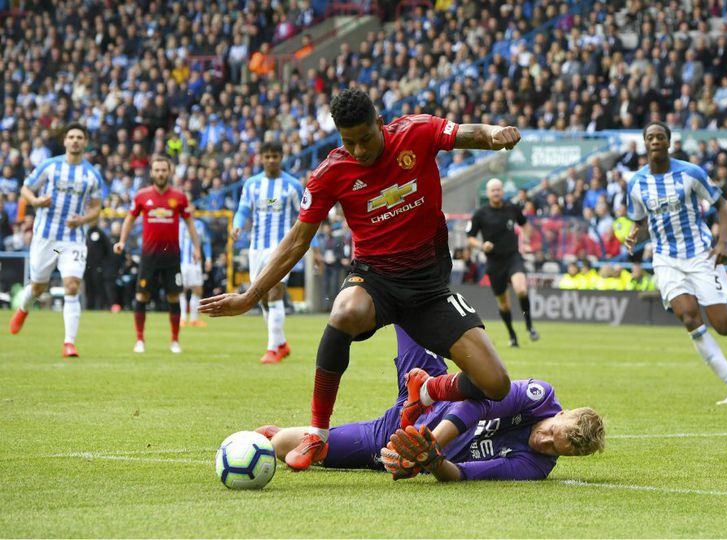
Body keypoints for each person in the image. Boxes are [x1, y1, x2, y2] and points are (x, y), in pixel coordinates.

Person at [200, 88, 521, 471]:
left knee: (496, 385)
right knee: (345, 310)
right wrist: (252, 295)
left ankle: (430, 389)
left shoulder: (416, 132)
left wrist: (494, 133)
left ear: (380, 125)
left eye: (365, 139)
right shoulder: (330, 173)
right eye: (348, 142)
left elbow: (469, 133)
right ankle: (316, 434)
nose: (359, 150)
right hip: (375, 280)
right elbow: (297, 241)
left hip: (429, 288)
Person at [259, 326, 604, 481]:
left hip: (398, 438)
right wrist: (435, 438)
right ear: (560, 414)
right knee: (409, 307)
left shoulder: (536, 467)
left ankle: (270, 437)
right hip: (436, 392)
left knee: (284, 445)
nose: (543, 442)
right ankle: (424, 392)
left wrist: (428, 457)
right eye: (550, 433)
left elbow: (461, 476)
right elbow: (479, 402)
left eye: (556, 450)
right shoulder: (538, 396)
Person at [625, 121, 727, 405]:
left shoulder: (691, 173)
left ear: (668, 141)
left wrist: (723, 243)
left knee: (722, 325)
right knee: (689, 317)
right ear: (644, 143)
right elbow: (639, 217)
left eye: (659, 137)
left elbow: (721, 206)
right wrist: (634, 232)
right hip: (665, 259)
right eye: (650, 137)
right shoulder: (636, 183)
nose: (654, 142)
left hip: (701, 255)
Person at [9, 123, 104, 357]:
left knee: (72, 286)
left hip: (73, 240)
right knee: (39, 287)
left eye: (79, 137)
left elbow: (96, 208)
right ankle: (23, 309)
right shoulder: (49, 166)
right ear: (65, 141)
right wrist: (36, 201)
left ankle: (69, 343)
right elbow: (25, 189)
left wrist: (82, 219)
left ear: (85, 142)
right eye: (71, 137)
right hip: (45, 238)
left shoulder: (92, 174)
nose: (75, 141)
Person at [113, 155, 201, 354]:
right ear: (151, 172)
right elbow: (129, 219)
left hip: (172, 257)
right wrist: (122, 241)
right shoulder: (142, 196)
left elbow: (189, 224)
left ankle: (175, 341)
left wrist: (197, 248)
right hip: (149, 257)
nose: (160, 173)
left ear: (169, 172)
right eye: (157, 170)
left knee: (173, 297)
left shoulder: (179, 197)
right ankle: (140, 340)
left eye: (164, 170)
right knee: (141, 296)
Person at [230, 141, 304, 364]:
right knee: (260, 297)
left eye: (275, 156)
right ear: (261, 158)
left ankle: (272, 349)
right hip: (256, 248)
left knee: (275, 292)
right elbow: (243, 210)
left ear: (282, 157)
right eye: (267, 156)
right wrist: (237, 224)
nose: (271, 160)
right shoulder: (252, 185)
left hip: (281, 248)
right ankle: (281, 343)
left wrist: (315, 249)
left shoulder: (292, 186)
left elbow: (305, 217)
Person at [467, 178, 540, 347]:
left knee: (521, 288)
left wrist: (526, 241)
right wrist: (481, 245)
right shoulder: (480, 214)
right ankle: (512, 334)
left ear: (502, 191)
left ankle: (529, 326)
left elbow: (526, 226)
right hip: (494, 262)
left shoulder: (512, 208)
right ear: (488, 193)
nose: (496, 193)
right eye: (493, 190)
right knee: (504, 303)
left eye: (499, 189)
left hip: (513, 256)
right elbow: (470, 238)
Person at [179, 214, 212, 327]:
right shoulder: (178, 224)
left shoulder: (199, 225)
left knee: (198, 289)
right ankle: (182, 318)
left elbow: (206, 242)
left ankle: (194, 319)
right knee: (180, 290)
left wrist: (208, 258)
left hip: (195, 263)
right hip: (181, 262)